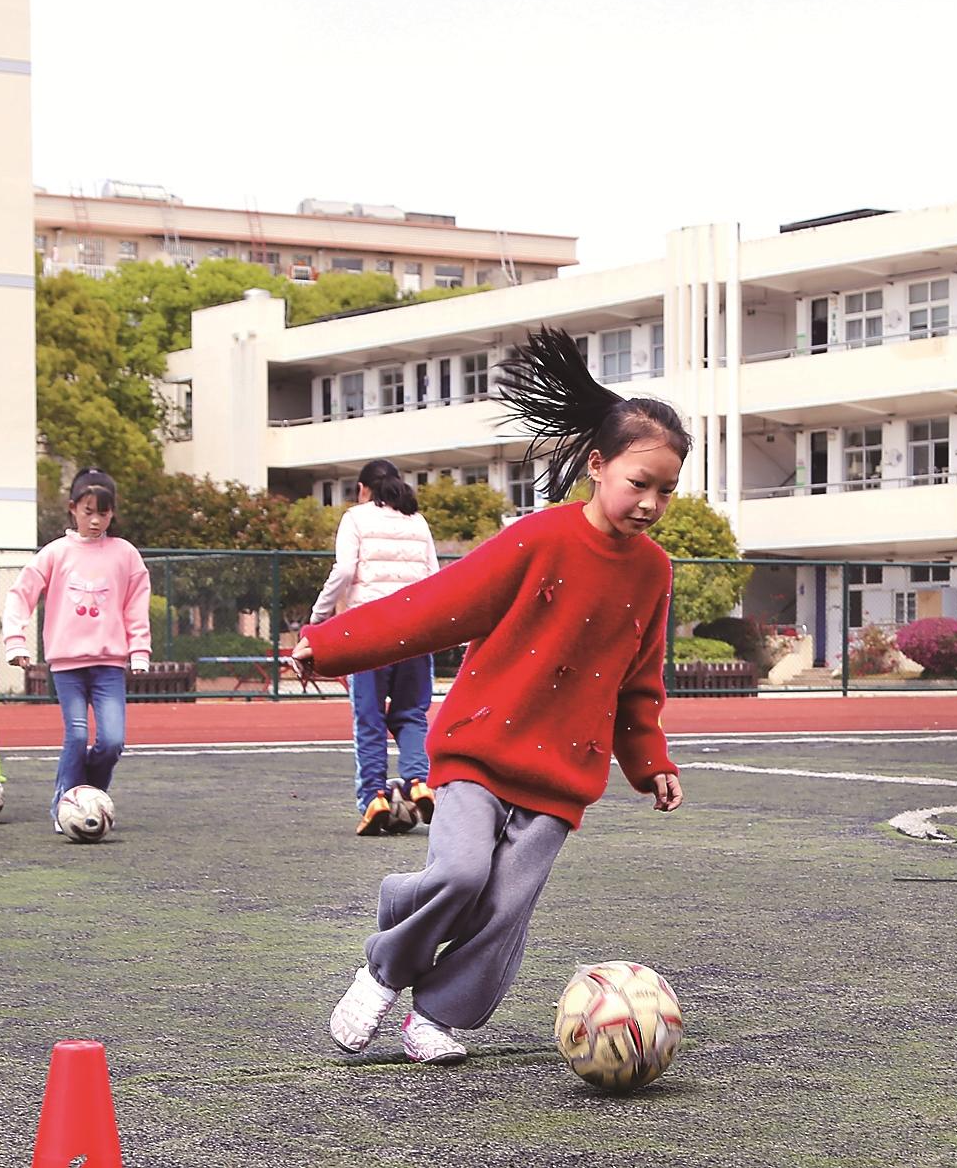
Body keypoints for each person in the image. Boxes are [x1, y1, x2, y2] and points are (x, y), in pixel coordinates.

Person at [289, 326, 687, 1065]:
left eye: (667, 489)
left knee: (505, 908)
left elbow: (640, 681)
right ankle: (384, 966)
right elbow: (433, 605)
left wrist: (650, 761)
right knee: (462, 874)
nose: (652, 502)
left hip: (563, 775)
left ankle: (436, 1015)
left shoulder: (654, 573)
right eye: (641, 483)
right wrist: (333, 644)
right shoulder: (537, 538)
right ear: (597, 467)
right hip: (480, 746)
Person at [1, 469, 150, 833]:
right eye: (88, 511)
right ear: (73, 509)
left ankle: (89, 797)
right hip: (66, 666)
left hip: (109, 664)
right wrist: (15, 640)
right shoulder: (55, 553)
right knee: (78, 735)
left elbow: (136, 604)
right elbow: (20, 594)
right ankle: (65, 804)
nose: (96, 520)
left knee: (113, 740)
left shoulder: (126, 555)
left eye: (104, 512)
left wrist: (139, 649)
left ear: (113, 513)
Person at [310, 460, 441, 837]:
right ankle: (419, 781)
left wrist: (318, 619)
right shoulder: (418, 522)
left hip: (370, 630)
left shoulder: (356, 518)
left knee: (369, 718)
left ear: (363, 489)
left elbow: (345, 570)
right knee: (412, 714)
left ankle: (374, 797)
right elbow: (434, 578)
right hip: (416, 629)